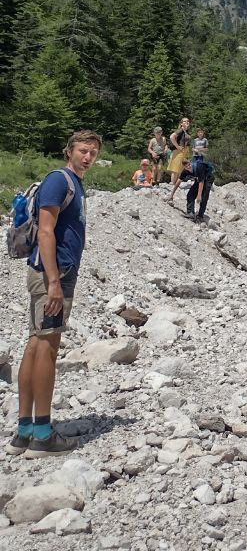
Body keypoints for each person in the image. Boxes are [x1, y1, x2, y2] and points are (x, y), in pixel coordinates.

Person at [8, 129, 102, 458]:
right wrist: (53, 283)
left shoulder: (74, 183)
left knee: (36, 344)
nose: (88, 157)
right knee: (47, 346)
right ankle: (43, 434)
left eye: (93, 152)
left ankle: (25, 431)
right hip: (53, 275)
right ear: (70, 150)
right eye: (82, 151)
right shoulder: (59, 181)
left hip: (56, 273)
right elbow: (46, 231)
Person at [165, 118, 191, 202]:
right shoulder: (180, 130)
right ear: (181, 123)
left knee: (180, 169)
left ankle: (175, 185)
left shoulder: (185, 132)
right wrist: (177, 146)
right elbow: (172, 137)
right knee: (175, 169)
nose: (187, 122)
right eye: (185, 121)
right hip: (179, 152)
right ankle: (173, 185)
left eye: (188, 121)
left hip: (183, 152)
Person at [186, 156, 214, 224]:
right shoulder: (186, 170)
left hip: (208, 178)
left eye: (189, 164)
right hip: (200, 179)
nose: (188, 166)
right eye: (186, 166)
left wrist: (199, 195)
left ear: (191, 162)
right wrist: (171, 195)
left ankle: (200, 216)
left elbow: (201, 181)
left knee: (204, 197)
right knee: (190, 194)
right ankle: (191, 213)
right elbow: (179, 180)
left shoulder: (199, 167)